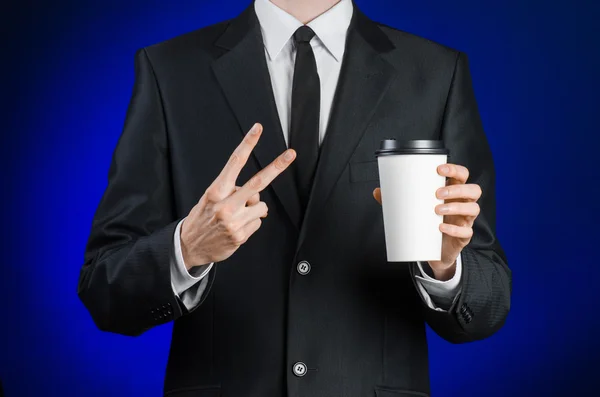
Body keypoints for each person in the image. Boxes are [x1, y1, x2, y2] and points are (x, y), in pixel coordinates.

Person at [78, 0, 512, 396]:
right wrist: (186, 249)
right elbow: (103, 288)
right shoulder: (169, 70)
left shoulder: (436, 73)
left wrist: (445, 269)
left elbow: (487, 304)